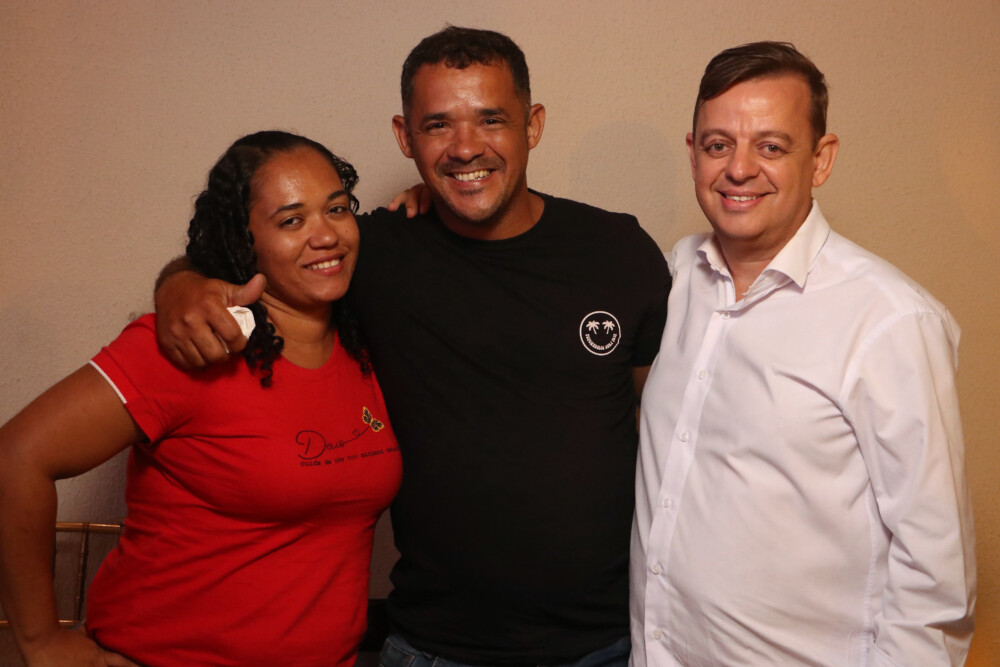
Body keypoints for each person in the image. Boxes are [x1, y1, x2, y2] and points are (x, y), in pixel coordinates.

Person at [155, 27, 671, 666]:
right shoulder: (371, 253)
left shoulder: (617, 249)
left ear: (533, 125)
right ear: (405, 137)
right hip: (432, 647)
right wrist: (180, 286)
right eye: (438, 126)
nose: (466, 147)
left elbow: (669, 430)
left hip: (606, 644)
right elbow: (239, 257)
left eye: (491, 119)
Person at [0, 130, 402, 667]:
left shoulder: (367, 345)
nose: (325, 235)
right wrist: (41, 642)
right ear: (243, 239)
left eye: (336, 209)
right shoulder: (191, 342)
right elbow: (15, 458)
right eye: (291, 220)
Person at [630, 41, 976, 665]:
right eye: (718, 145)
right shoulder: (674, 278)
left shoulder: (890, 322)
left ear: (821, 159)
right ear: (693, 154)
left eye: (771, 147)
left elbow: (935, 576)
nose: (739, 169)